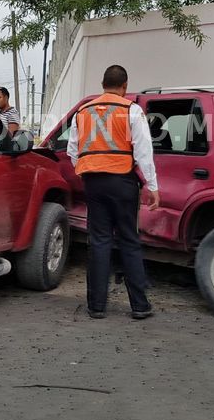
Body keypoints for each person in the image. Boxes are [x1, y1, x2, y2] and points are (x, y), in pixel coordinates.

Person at [67, 64, 161, 320]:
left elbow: (72, 151)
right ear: (125, 86)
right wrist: (152, 185)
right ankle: (139, 306)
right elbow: (143, 151)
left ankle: (96, 307)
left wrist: (86, 171)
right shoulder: (131, 110)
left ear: (102, 84)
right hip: (122, 182)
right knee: (129, 240)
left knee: (99, 241)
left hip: (93, 183)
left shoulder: (83, 111)